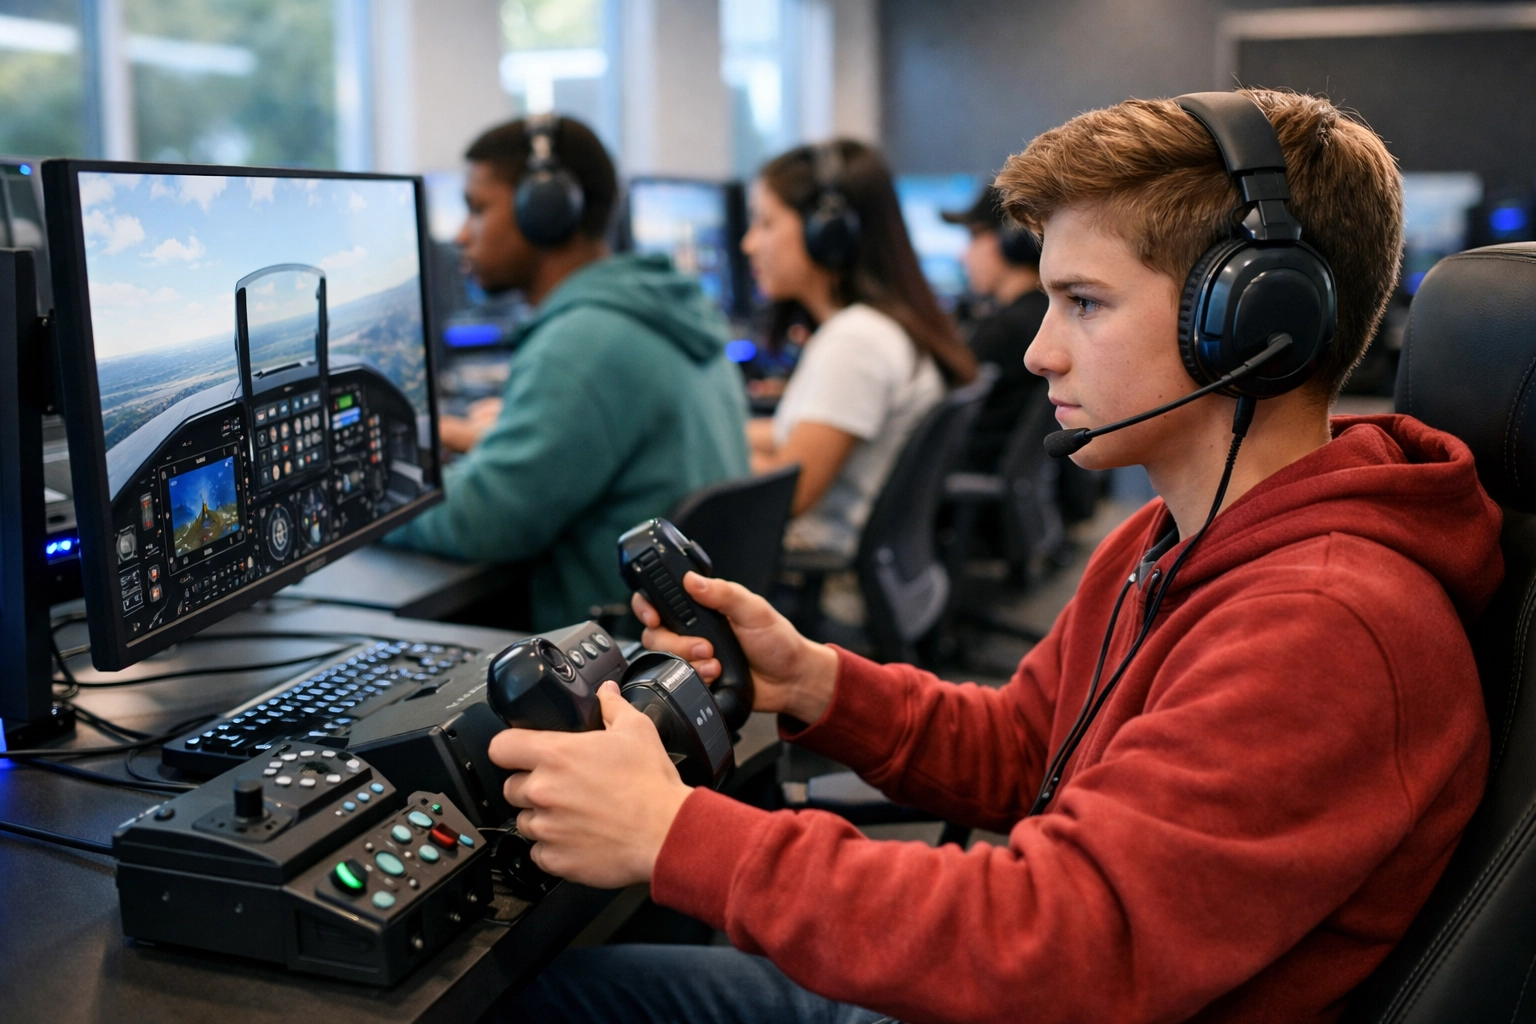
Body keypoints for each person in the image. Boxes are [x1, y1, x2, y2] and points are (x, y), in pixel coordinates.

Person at [489, 89, 1502, 1022]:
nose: (1037, 350)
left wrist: (678, 838)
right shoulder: (1174, 542)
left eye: (1086, 303)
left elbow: (1061, 942)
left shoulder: (1323, 627)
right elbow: (1028, 747)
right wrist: (815, 680)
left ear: (1252, 323)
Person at [387, 116, 749, 629]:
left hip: (606, 667)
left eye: (477, 209)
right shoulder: (667, 308)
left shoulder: (581, 346)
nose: (462, 234)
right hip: (675, 652)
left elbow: (482, 521)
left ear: (545, 211)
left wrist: (367, 495)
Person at [743, 140, 977, 557]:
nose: (749, 244)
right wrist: (709, 433)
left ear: (826, 230)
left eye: (765, 222)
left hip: (822, 574)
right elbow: (791, 436)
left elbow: (788, 493)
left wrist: (689, 454)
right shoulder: (875, 327)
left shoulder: (857, 342)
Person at [944, 185, 1049, 472]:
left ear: (1009, 239)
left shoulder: (1006, 329)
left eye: (974, 238)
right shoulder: (1044, 315)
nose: (964, 256)